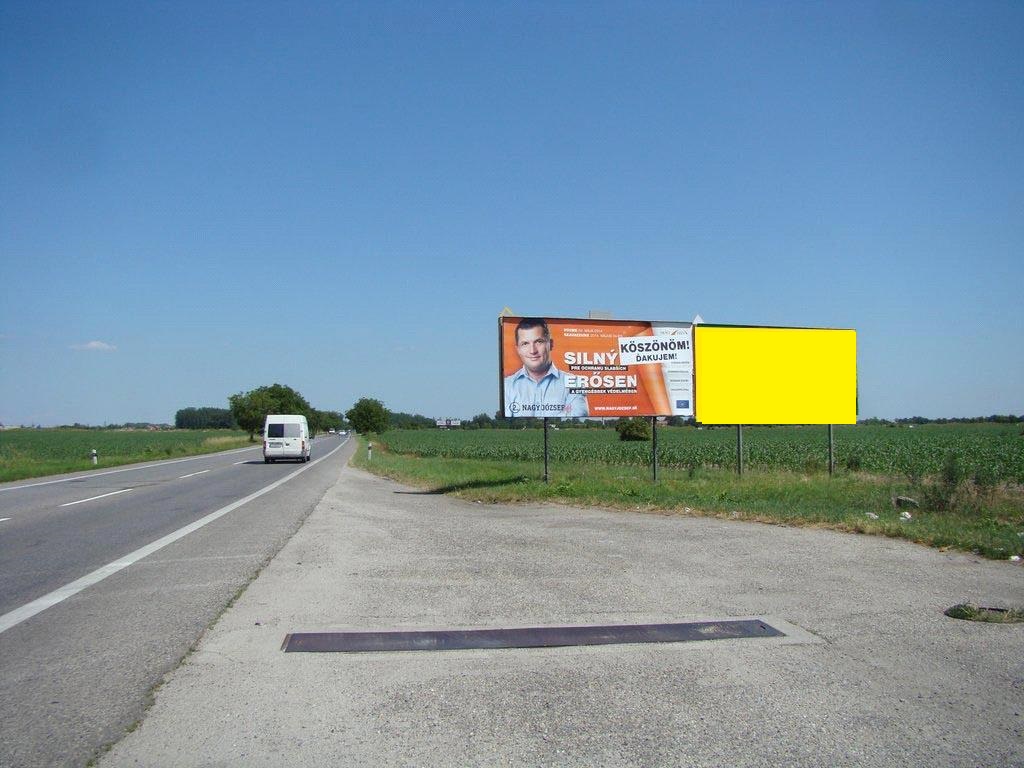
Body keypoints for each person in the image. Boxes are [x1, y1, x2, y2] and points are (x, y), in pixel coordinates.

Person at [503, 318, 588, 418]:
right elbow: (509, 422)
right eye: (525, 343)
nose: (532, 351)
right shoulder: (507, 385)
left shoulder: (574, 382)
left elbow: (576, 416)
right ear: (518, 349)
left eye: (539, 341)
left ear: (550, 344)